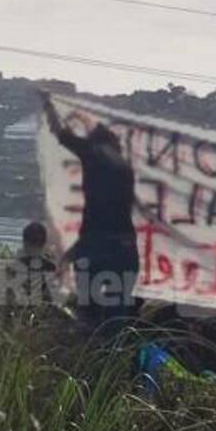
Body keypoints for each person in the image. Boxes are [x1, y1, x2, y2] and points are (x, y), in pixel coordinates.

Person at [41, 93, 139, 331]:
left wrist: (48, 106)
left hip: (97, 248)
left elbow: (62, 135)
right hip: (123, 249)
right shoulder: (125, 171)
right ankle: (114, 356)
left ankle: (94, 355)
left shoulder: (93, 159)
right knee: (117, 316)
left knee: (89, 314)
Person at [3, 221, 58, 306]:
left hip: (16, 315)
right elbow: (51, 300)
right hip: (41, 315)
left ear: (24, 242)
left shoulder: (11, 267)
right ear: (43, 243)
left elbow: (7, 301)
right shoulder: (50, 267)